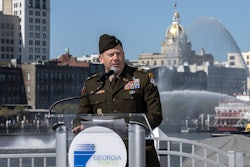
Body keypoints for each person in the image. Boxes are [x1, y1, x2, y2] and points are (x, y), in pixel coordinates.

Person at [73, 33, 163, 167]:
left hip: (139, 152)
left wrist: (131, 127)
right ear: (101, 58)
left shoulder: (142, 78)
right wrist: (78, 124)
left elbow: (156, 115)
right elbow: (81, 116)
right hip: (106, 154)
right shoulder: (92, 84)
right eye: (111, 55)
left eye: (119, 53)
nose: (116, 58)